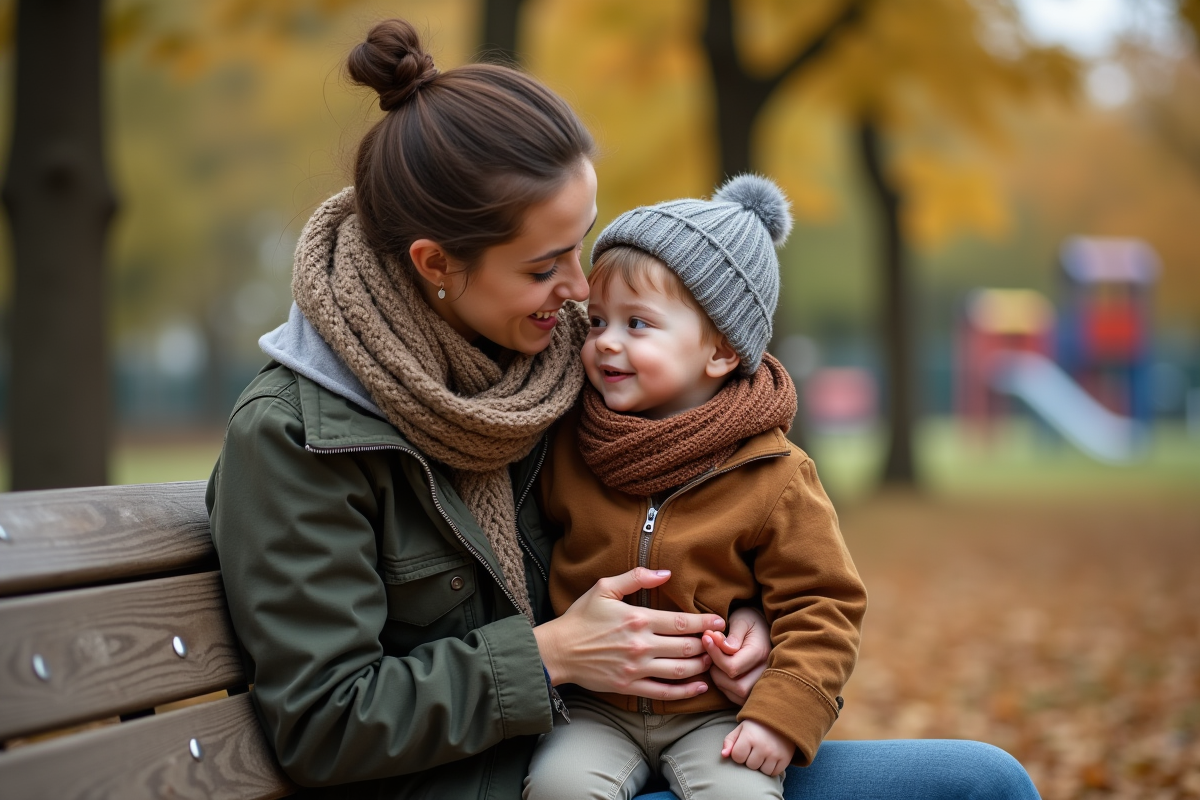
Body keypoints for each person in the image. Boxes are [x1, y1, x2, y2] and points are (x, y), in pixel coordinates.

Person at [206, 17, 1043, 800]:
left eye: (583, 241)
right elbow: (323, 723)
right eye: (545, 267)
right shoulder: (300, 435)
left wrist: (739, 612)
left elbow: (697, 504)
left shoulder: (559, 365)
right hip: (512, 775)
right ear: (436, 264)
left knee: (987, 781)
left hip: (658, 734)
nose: (579, 291)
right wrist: (551, 655)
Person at [524, 176, 866, 800]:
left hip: (718, 715)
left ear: (721, 351)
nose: (605, 341)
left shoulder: (774, 473)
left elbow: (825, 603)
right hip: (591, 710)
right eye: (598, 320)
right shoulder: (565, 446)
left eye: (638, 323)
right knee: (557, 790)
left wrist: (782, 712)